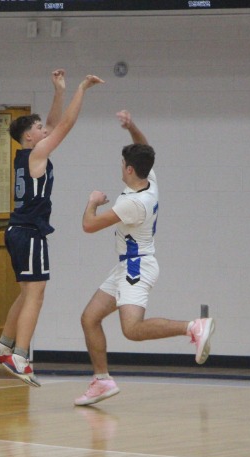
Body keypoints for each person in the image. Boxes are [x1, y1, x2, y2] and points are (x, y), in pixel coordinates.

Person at [73, 110, 215, 406]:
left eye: (122, 163)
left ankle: (192, 327)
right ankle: (102, 380)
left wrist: (92, 201)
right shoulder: (149, 179)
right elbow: (145, 148)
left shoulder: (134, 203)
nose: (121, 166)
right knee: (90, 318)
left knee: (132, 330)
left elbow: (89, 225)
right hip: (127, 265)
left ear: (128, 170)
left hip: (136, 267)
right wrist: (131, 126)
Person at [0, 69, 104, 387]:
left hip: (19, 231)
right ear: (29, 137)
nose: (44, 130)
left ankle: (3, 345)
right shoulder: (37, 154)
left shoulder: (27, 154)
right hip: (29, 233)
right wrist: (81, 89)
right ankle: (20, 356)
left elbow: (52, 125)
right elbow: (64, 125)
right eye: (38, 128)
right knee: (36, 296)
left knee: (27, 293)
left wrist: (59, 91)